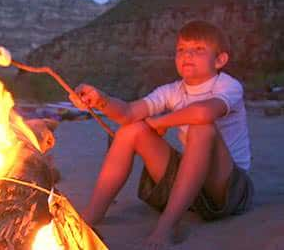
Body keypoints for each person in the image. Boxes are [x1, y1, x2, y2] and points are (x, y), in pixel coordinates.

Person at [69, 20, 253, 249]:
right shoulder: (171, 91)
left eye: (198, 50)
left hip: (227, 188)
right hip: (192, 188)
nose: (187, 55)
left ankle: (166, 227)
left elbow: (203, 112)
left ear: (220, 60)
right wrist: (100, 100)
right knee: (131, 129)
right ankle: (92, 214)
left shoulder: (228, 85)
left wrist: (160, 122)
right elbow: (128, 112)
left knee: (202, 127)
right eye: (181, 50)